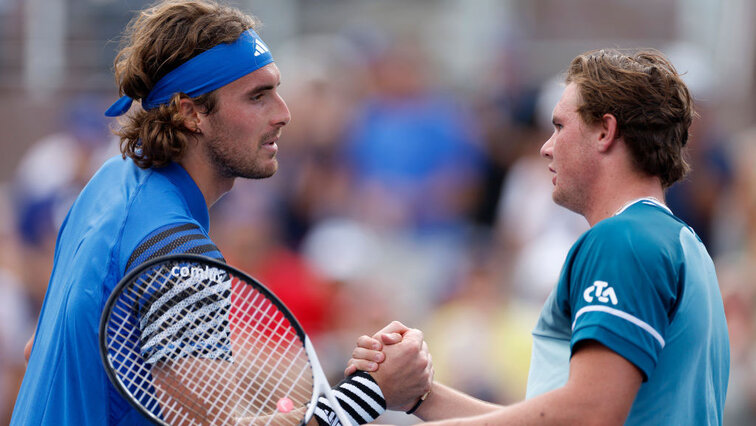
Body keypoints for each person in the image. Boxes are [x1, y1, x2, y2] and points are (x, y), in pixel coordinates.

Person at [11, 1, 431, 425]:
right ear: (191, 112)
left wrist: (329, 370)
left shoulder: (110, 184)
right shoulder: (180, 252)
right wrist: (370, 395)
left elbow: (42, 349)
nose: (284, 113)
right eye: (257, 97)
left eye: (276, 90)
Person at [349, 48, 730, 425]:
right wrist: (423, 397)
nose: (546, 147)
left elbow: (588, 415)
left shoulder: (622, 240)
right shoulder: (682, 244)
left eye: (560, 126)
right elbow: (559, 416)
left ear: (605, 131)